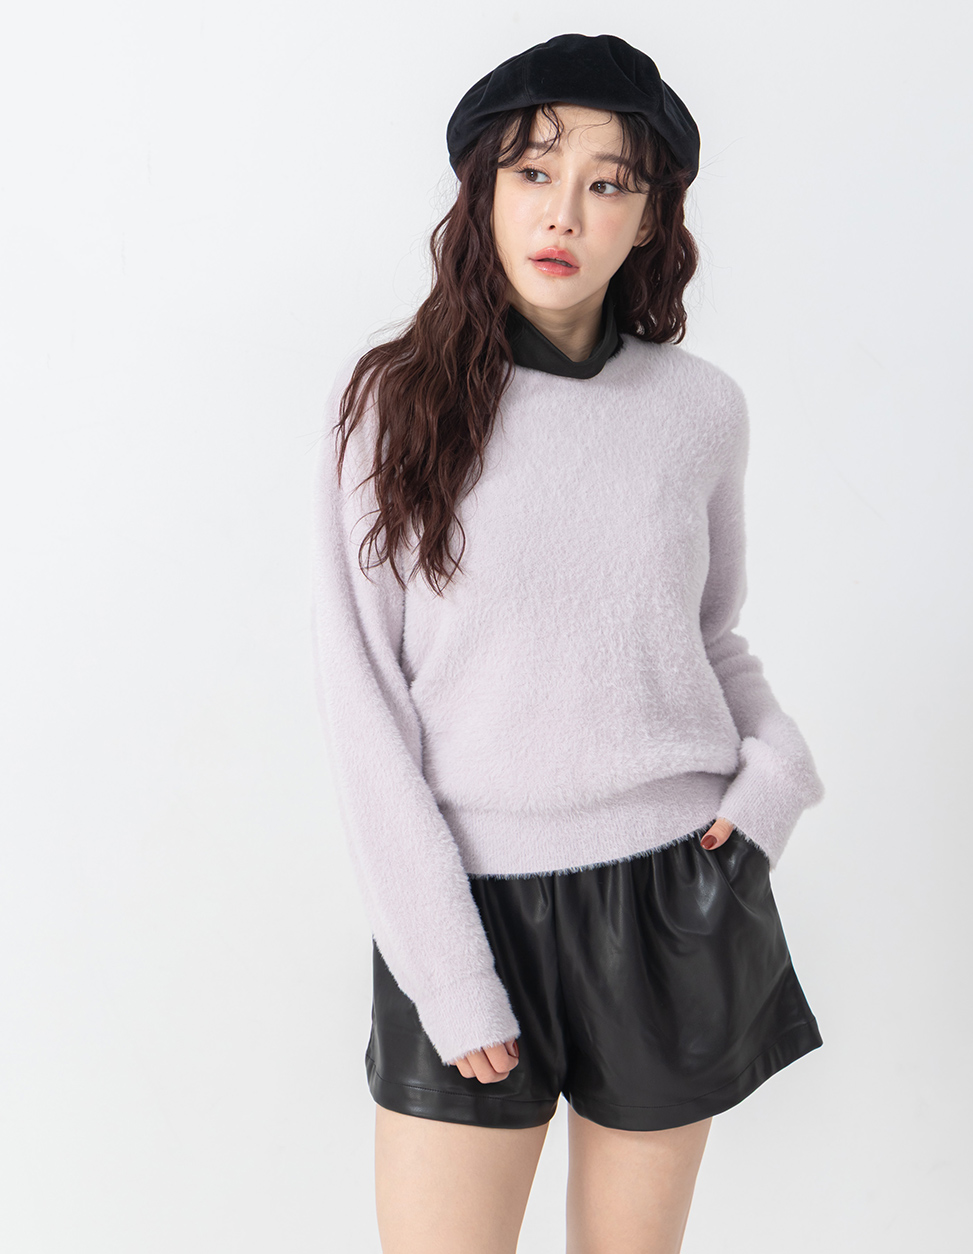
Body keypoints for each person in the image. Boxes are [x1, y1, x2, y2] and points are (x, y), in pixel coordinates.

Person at [310, 32, 825, 1254]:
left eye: (607, 183)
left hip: (672, 890)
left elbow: (707, 632)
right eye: (534, 173)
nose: (564, 213)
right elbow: (362, 704)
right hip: (467, 905)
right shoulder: (390, 404)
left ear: (648, 218)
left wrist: (778, 772)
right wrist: (447, 971)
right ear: (481, 192)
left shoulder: (698, 410)